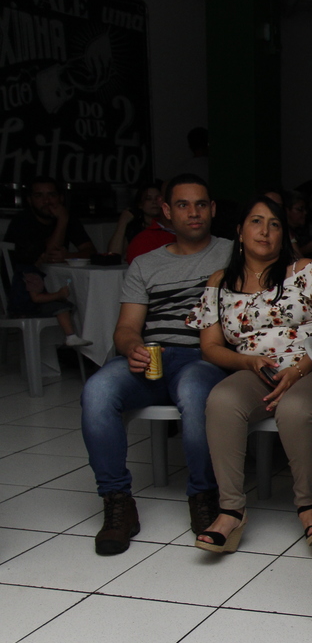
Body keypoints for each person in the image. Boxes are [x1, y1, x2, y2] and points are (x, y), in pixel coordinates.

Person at [80, 174, 231, 556]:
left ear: (213, 209)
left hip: (203, 356)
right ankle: (117, 502)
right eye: (182, 204)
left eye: (201, 204)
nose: (193, 212)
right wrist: (132, 347)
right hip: (152, 356)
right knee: (97, 390)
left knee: (195, 392)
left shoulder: (234, 254)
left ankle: (204, 496)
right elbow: (126, 328)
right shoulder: (145, 264)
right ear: (166, 211)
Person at [188, 197, 312, 553]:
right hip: (256, 367)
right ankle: (231, 511)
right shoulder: (220, 282)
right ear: (239, 232)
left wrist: (298, 369)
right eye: (256, 222)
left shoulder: (306, 271)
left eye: (274, 224)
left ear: (283, 235)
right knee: (221, 400)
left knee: (295, 409)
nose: (265, 231)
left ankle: (309, 505)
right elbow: (210, 347)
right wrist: (248, 363)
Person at [7, 176, 96, 266]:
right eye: (39, 196)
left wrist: (69, 256)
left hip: (54, 273)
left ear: (61, 198)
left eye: (52, 195)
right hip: (22, 273)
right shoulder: (22, 221)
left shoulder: (67, 217)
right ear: (30, 200)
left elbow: (91, 251)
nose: (46, 201)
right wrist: (62, 220)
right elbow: (48, 258)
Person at [5, 263, 91, 348]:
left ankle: (64, 338)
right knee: (62, 307)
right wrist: (58, 295)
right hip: (28, 310)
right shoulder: (31, 273)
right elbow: (36, 298)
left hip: (18, 309)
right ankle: (70, 336)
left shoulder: (22, 270)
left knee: (62, 305)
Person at [107, 182, 167, 259]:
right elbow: (113, 255)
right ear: (140, 204)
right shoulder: (134, 229)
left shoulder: (170, 226)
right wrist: (122, 222)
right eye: (148, 198)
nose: (154, 202)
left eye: (157, 198)